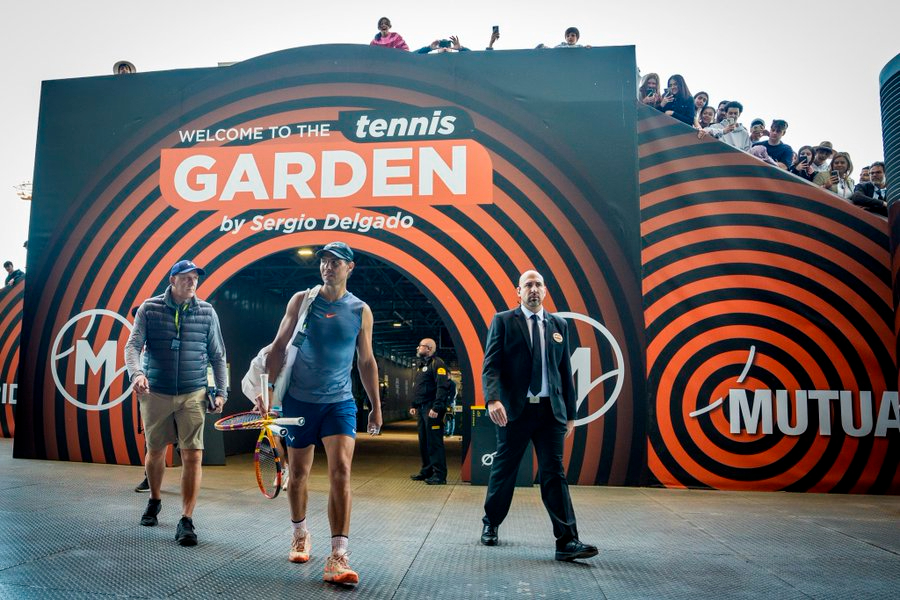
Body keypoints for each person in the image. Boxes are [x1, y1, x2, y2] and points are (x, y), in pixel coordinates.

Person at [264, 241, 382, 587]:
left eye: (336, 262)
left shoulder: (360, 310)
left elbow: (366, 361)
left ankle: (338, 555)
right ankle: (300, 534)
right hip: (299, 402)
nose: (328, 267)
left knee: (341, 471)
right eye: (325, 261)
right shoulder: (302, 301)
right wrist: (268, 394)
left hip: (339, 403)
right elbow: (278, 347)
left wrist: (375, 406)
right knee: (298, 473)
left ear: (350, 268)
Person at [480, 269, 598, 562]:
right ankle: (491, 523)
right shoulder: (503, 321)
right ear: (518, 292)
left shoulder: (558, 325)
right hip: (514, 411)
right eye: (528, 285)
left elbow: (564, 372)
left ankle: (567, 541)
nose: (533, 289)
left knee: (554, 473)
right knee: (504, 470)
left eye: (538, 285)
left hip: (550, 412)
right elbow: (491, 365)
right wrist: (493, 399)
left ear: (545, 291)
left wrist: (570, 414)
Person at [124, 259, 227, 546]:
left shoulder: (207, 311)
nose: (192, 282)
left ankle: (186, 519)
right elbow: (133, 346)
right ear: (172, 280)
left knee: (193, 455)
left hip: (194, 392)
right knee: (156, 450)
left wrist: (221, 392)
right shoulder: (149, 308)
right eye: (186, 277)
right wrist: (137, 374)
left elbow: (218, 356)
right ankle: (155, 499)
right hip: (155, 391)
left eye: (195, 278)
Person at [409, 338, 452, 485]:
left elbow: (442, 387)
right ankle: (427, 471)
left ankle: (439, 475)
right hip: (422, 408)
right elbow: (419, 387)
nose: (417, 348)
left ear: (428, 348)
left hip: (431, 409)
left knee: (434, 442)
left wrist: (436, 407)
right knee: (424, 441)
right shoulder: (422, 365)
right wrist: (414, 404)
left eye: (420, 346)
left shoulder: (438, 364)